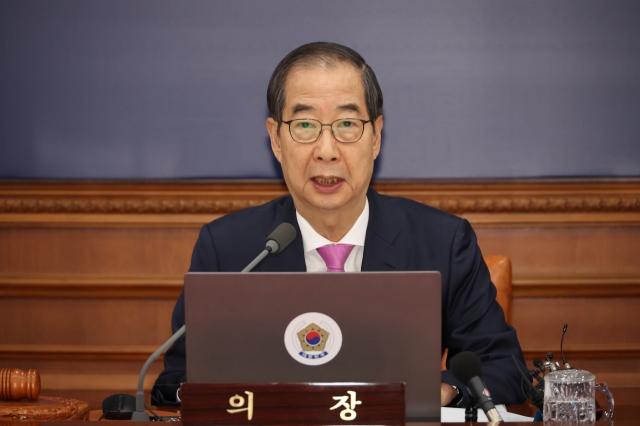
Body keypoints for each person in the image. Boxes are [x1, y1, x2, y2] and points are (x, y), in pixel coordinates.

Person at [152, 42, 527, 407]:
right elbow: (176, 382)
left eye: (347, 124)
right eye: (304, 125)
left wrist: (441, 392)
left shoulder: (442, 242)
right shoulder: (228, 248)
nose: (327, 150)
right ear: (276, 139)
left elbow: (504, 369)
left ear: (376, 136)